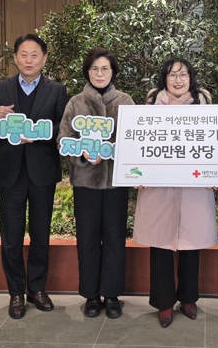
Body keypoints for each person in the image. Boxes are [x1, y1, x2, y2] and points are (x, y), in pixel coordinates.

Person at [0, 33, 68, 319]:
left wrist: (38, 135)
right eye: (23, 54)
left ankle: (37, 288)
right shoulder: (1, 88)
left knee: (41, 234)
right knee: (11, 237)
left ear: (44, 58)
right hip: (11, 172)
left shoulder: (57, 90)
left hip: (42, 171)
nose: (29, 60)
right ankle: (16, 293)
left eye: (35, 55)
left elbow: (64, 127)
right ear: (15, 57)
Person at [133, 58, 218, 328]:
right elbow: (139, 143)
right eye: (172, 75)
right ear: (164, 78)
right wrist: (135, 173)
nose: (178, 80)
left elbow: (216, 143)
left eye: (183, 74)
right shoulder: (150, 106)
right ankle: (164, 303)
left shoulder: (204, 105)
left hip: (194, 187)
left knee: (191, 245)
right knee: (160, 246)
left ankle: (189, 299)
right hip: (158, 188)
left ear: (191, 78)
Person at [57, 48, 134, 318]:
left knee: (115, 237)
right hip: (85, 183)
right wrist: (82, 152)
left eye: (105, 69)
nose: (99, 74)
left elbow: (135, 140)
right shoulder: (75, 103)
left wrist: (113, 150)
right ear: (87, 72)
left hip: (116, 183)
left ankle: (112, 295)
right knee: (87, 237)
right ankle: (91, 295)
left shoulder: (125, 101)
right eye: (94, 69)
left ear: (113, 72)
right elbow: (63, 138)